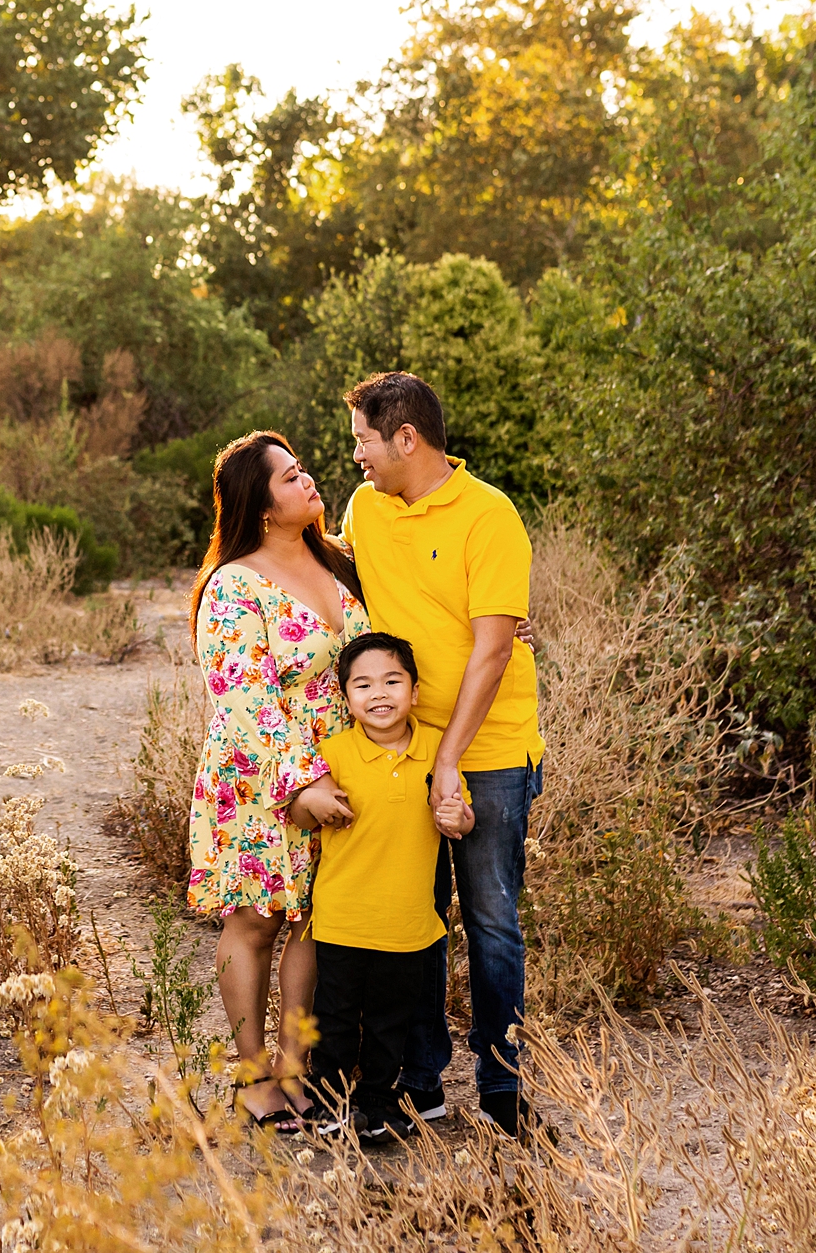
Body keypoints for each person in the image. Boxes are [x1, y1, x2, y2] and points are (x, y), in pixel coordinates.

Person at [339, 372, 542, 1138]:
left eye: (362, 438)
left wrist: (449, 761)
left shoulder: (490, 517)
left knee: (490, 922)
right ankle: (415, 1085)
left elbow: (491, 655)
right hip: (401, 752)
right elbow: (338, 576)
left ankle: (502, 1096)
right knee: (412, 920)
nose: (355, 454)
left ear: (405, 439)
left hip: (487, 752)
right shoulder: (367, 508)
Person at [187, 430, 371, 1128]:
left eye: (304, 472)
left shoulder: (340, 560)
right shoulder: (233, 584)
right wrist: (300, 784)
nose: (310, 483)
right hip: (260, 773)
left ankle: (299, 1071)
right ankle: (251, 1072)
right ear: (260, 506)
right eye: (291, 478)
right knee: (257, 919)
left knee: (317, 919)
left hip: (344, 766)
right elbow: (244, 697)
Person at [297, 631, 470, 1144]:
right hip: (343, 918)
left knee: (391, 1021)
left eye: (393, 681)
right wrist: (314, 802)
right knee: (335, 1017)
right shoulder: (333, 753)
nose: (379, 694)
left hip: (408, 923)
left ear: (415, 691)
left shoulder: (438, 751)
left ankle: (376, 1102)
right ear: (346, 697)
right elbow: (301, 814)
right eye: (363, 684)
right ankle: (328, 1101)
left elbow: (463, 819)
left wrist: (456, 817)